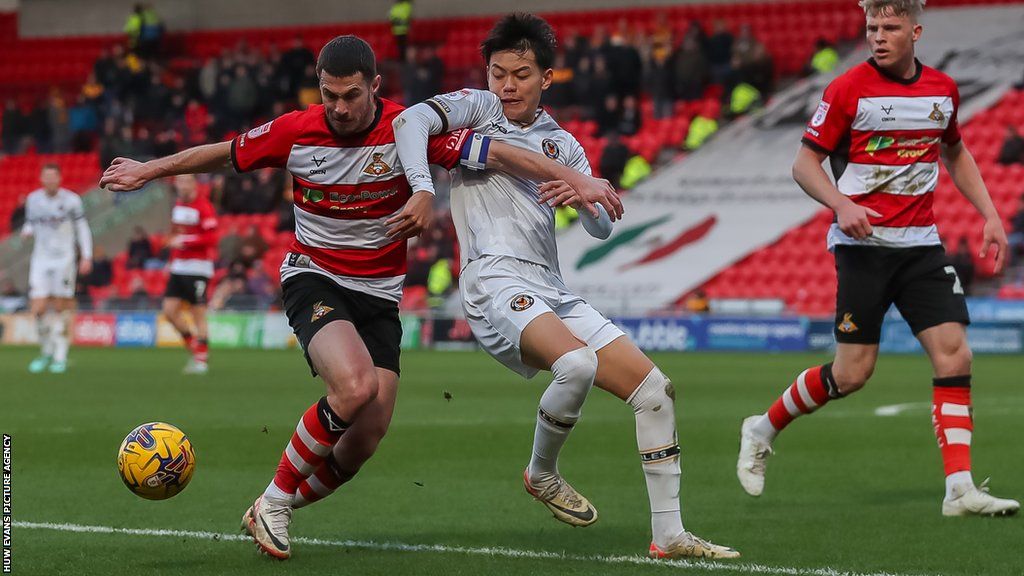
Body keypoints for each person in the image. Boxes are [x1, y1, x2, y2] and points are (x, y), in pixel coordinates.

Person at [100, 34, 620, 560]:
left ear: (374, 86)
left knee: (364, 437)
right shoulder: (295, 131)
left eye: (351, 95)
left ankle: (270, 504)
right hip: (315, 276)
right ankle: (275, 500)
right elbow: (225, 154)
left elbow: (499, 153)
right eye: (330, 95)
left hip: (380, 295)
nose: (340, 108)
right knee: (352, 388)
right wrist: (148, 169)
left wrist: (577, 177)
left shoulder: (406, 132)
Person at [394, 13, 736, 560]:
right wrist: (420, 188)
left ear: (547, 79)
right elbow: (408, 122)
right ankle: (541, 472)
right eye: (498, 72)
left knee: (655, 391)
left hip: (549, 285)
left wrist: (583, 199)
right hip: (492, 278)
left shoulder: (564, 145)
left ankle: (670, 535)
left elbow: (600, 224)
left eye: (521, 74)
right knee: (575, 364)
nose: (507, 84)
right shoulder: (478, 110)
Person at [736, 0, 1019, 518]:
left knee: (955, 354)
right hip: (864, 250)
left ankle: (959, 489)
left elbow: (954, 151)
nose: (878, 36)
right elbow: (804, 164)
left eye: (890, 27)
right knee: (851, 375)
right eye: (872, 27)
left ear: (916, 31)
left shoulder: (942, 90)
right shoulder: (847, 88)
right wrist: (841, 204)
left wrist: (991, 215)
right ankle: (762, 427)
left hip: (921, 247)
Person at [21, 164, 93, 374]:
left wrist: (86, 256)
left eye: (54, 177)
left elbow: (82, 228)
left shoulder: (71, 200)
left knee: (62, 308)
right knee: (38, 308)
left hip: (64, 259)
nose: (50, 180)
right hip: (40, 259)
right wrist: (26, 231)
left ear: (60, 179)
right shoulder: (33, 200)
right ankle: (46, 351)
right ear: (42, 179)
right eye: (46, 177)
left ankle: (60, 355)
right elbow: (30, 223)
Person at [162, 174, 217, 374]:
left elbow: (211, 238)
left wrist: (185, 241)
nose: (183, 186)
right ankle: (194, 346)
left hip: (198, 268)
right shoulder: (177, 206)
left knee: (198, 313)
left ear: (194, 184)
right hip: (179, 267)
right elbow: (175, 235)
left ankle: (201, 360)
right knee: (169, 311)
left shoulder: (204, 206)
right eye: (179, 182)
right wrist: (171, 260)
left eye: (186, 182)